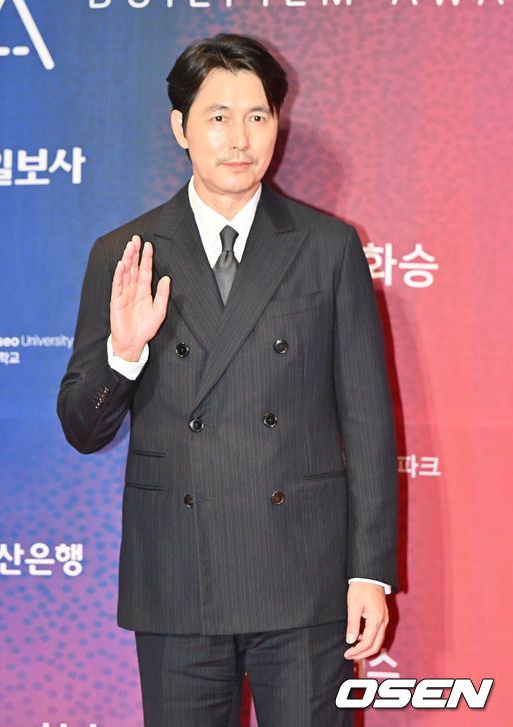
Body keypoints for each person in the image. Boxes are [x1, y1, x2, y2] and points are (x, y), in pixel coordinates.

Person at [57, 32, 398, 727]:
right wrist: (124, 352)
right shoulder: (127, 254)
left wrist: (369, 571)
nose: (239, 139)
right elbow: (82, 428)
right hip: (178, 579)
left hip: (303, 578)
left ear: (278, 123)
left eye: (257, 116)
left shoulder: (327, 247)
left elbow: (367, 423)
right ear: (180, 126)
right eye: (218, 117)